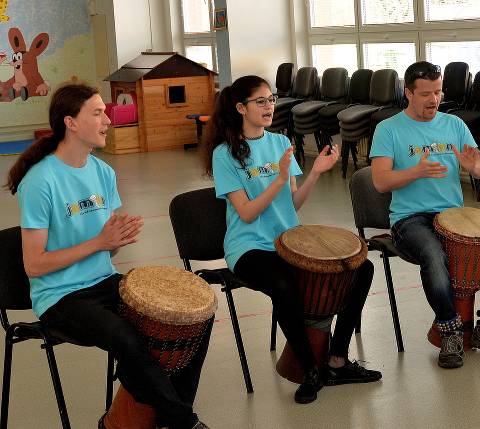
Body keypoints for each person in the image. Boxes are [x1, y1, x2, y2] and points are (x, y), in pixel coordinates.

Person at [5, 84, 210, 429]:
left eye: (106, 112)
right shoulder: (40, 181)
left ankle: (162, 417)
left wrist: (116, 240)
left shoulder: (103, 172)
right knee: (125, 337)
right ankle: (182, 421)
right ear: (70, 122)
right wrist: (100, 242)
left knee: (190, 321)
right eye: (97, 113)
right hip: (59, 297)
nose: (108, 120)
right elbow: (34, 264)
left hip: (102, 281)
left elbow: (106, 246)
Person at [201, 75, 381, 404]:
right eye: (261, 101)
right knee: (283, 284)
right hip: (249, 247)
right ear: (241, 108)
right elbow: (247, 213)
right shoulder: (225, 154)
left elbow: (293, 204)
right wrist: (279, 178)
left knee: (362, 269)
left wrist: (314, 173)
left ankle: (337, 359)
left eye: (271, 100)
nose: (269, 106)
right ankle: (310, 369)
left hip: (289, 242)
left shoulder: (280, 143)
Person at [370, 61, 480, 370]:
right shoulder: (388, 129)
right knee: (433, 252)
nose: (433, 100)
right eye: (425, 93)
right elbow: (380, 181)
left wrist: (475, 166)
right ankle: (450, 329)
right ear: (408, 93)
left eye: (438, 92)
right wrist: (415, 172)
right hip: (409, 219)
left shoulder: (453, 125)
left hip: (453, 215)